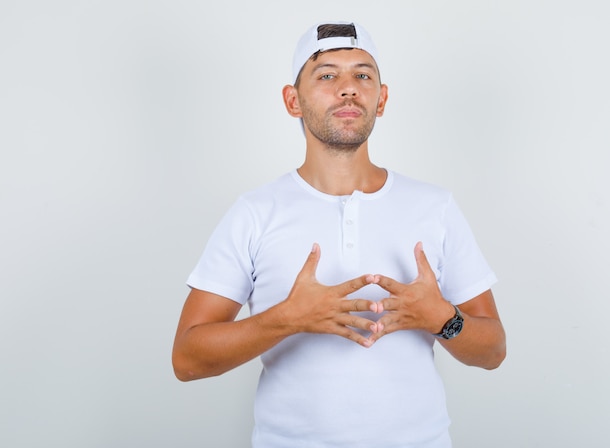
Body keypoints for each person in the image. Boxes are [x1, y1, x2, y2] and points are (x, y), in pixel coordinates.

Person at [172, 21, 506, 448]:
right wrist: (285, 319)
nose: (348, 88)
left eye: (363, 75)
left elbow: (493, 350)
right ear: (293, 100)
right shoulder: (255, 213)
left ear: (381, 99)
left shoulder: (435, 207)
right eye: (327, 74)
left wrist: (443, 319)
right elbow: (187, 358)